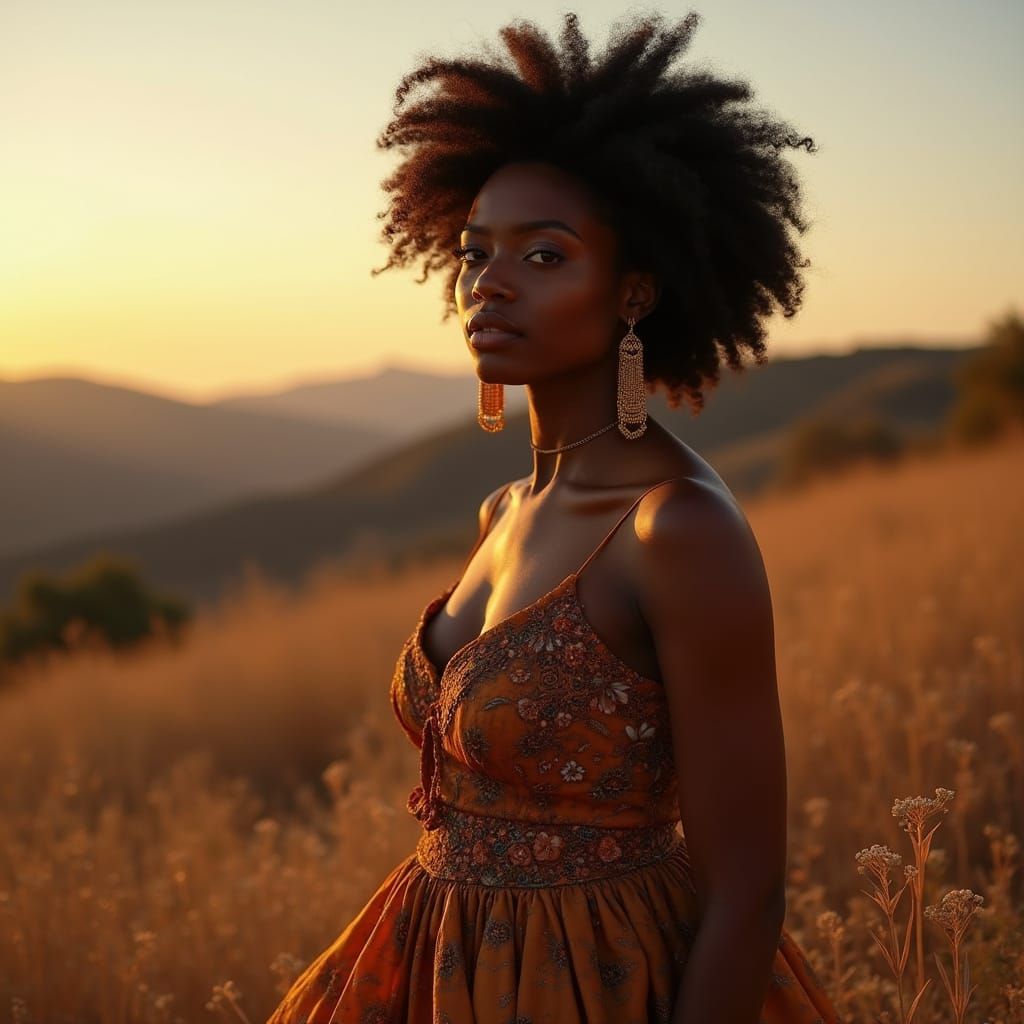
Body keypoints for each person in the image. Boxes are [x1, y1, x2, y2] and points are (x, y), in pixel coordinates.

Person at [267, 10, 843, 1023]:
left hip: (598, 976)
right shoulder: (503, 508)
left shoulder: (677, 529)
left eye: (543, 256)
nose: (488, 282)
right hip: (435, 958)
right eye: (474, 252)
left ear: (633, 293)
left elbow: (748, 893)